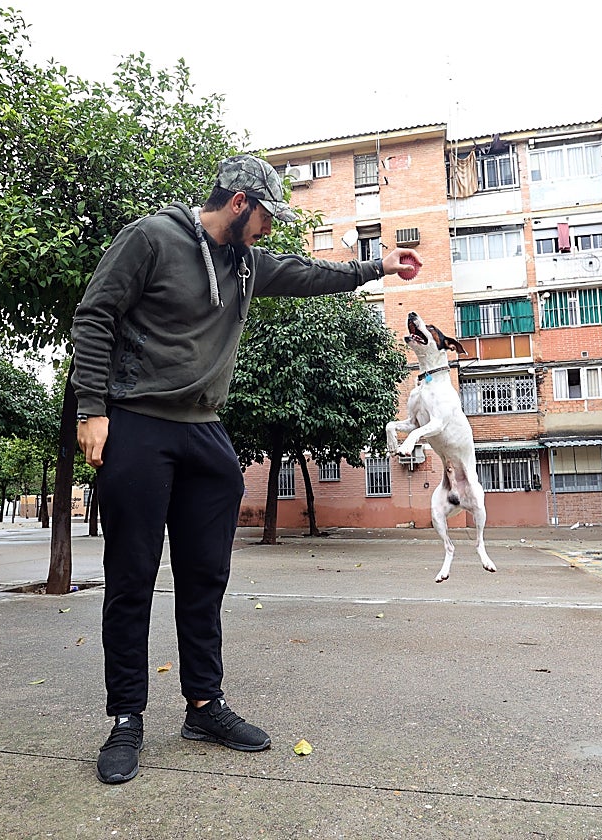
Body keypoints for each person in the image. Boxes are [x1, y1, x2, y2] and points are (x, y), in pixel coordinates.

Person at [70, 153, 422, 784]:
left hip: (204, 430)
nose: (267, 230)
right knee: (131, 580)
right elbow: (94, 316)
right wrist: (92, 410)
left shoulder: (247, 263)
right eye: (264, 217)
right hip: (139, 425)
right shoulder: (151, 239)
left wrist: (376, 267)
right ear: (238, 203)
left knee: (205, 578)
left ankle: (204, 706)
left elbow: (309, 274)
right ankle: (126, 718)